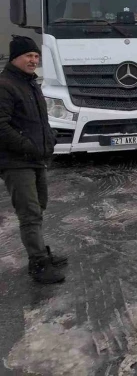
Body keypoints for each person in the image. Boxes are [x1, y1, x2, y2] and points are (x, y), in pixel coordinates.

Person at [0, 36, 67, 284]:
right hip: (17, 162)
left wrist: (49, 139)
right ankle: (38, 264)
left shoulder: (30, 84)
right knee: (29, 213)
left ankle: (41, 251)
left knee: (39, 206)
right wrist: (28, 147)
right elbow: (1, 126)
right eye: (29, 55)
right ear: (15, 57)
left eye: (36, 56)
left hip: (36, 158)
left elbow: (40, 120)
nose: (33, 60)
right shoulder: (5, 85)